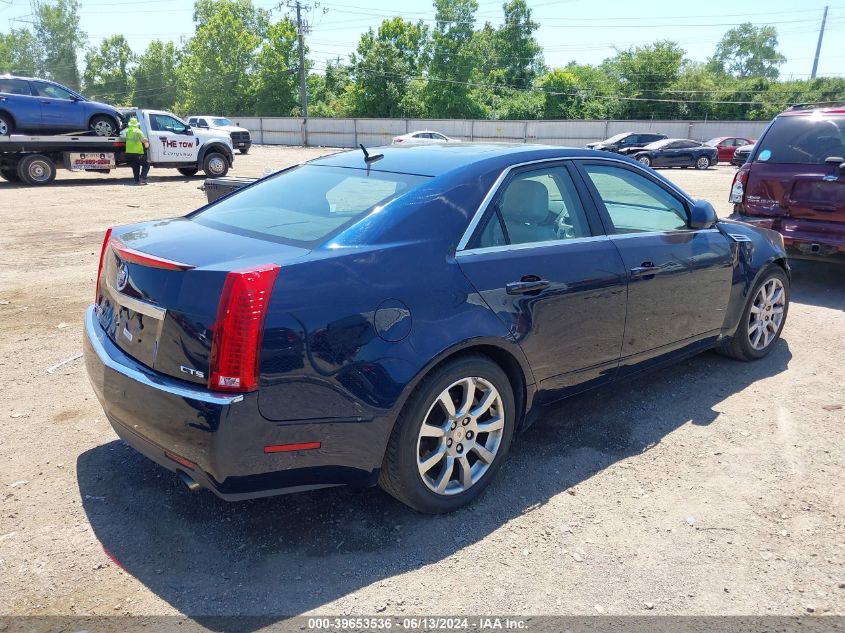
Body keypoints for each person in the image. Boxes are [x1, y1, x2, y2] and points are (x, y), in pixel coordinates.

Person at [123, 117, 150, 185]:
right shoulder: (138, 131)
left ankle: (136, 181)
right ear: (137, 124)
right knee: (146, 165)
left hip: (129, 152)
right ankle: (143, 178)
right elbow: (143, 140)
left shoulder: (127, 131)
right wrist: (147, 140)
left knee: (135, 167)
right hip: (138, 152)